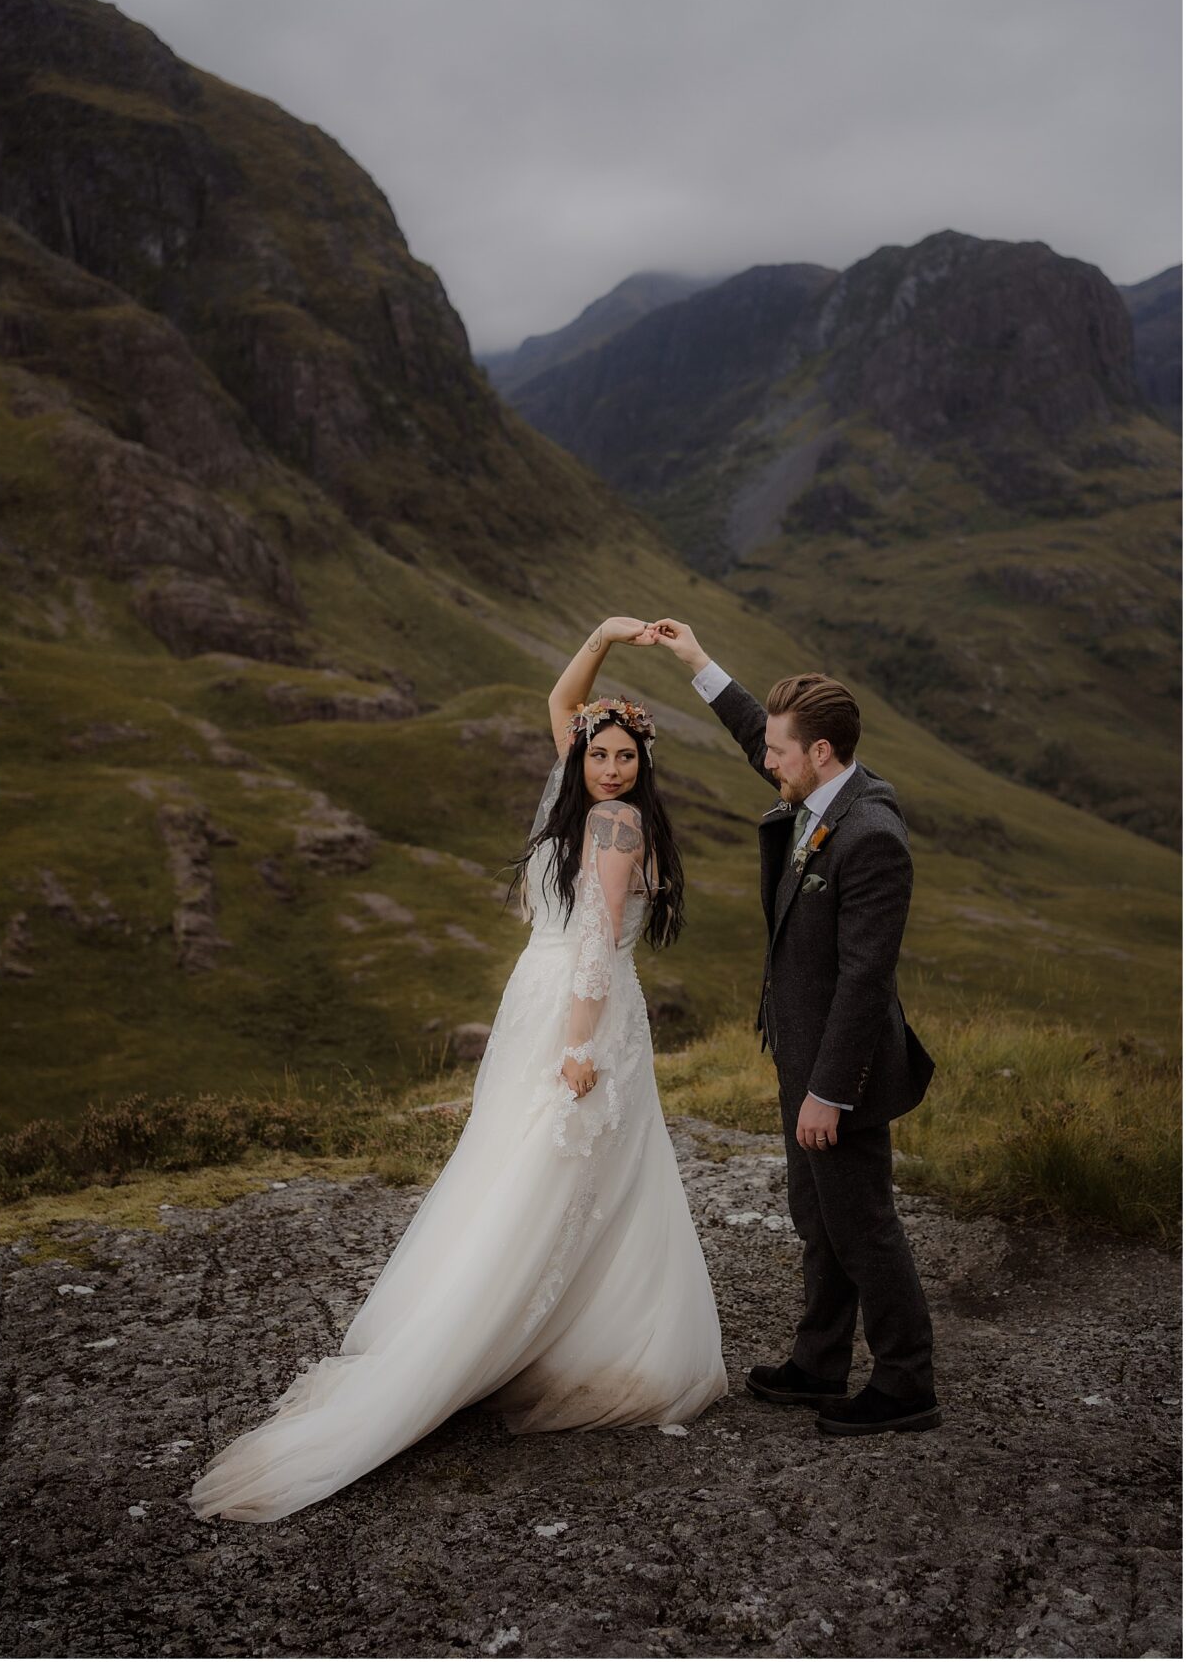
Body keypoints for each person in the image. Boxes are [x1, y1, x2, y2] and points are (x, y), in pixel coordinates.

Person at [189, 616, 728, 1522]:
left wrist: (580, 1045)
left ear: (642, 764)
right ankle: (528, 1322)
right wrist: (603, 636)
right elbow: (562, 701)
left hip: (576, 1008)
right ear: (583, 755)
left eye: (624, 756)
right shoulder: (586, 792)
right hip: (550, 1000)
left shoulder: (617, 821)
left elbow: (598, 940)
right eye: (598, 754)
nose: (608, 767)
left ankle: (532, 1325)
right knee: (541, 1161)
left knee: (563, 1162)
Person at [650, 618, 941, 1437]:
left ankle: (907, 1379)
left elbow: (864, 980)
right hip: (802, 1058)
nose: (765, 759)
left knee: (862, 1221)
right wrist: (697, 661)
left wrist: (827, 1092)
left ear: (818, 752)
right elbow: (756, 731)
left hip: (838, 1074)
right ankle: (820, 1361)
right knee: (818, 1215)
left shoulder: (871, 835)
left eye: (780, 750)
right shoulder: (816, 790)